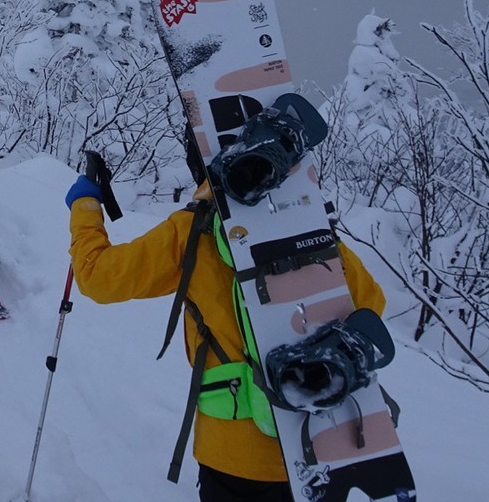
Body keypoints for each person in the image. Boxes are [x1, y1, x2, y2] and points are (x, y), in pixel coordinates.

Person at [66, 174, 388, 502]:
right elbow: (370, 305)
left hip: (234, 455)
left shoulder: (194, 228)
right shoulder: (306, 222)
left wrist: (85, 205)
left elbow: (98, 276)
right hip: (321, 442)